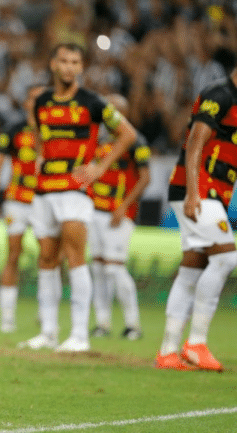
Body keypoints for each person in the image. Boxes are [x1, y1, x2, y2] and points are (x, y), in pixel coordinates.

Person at [18, 43, 136, 352]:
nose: (69, 67)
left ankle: (80, 334)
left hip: (75, 190)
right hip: (44, 189)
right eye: (64, 61)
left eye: (75, 62)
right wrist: (43, 157)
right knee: (46, 258)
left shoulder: (93, 102)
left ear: (80, 67)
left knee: (75, 257)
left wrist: (99, 166)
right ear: (53, 64)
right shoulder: (41, 101)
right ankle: (48, 332)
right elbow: (43, 139)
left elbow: (127, 134)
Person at [156, 63, 237, 372]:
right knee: (226, 259)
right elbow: (195, 144)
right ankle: (197, 343)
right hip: (198, 190)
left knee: (193, 268)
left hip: (212, 190)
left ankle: (168, 350)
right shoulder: (220, 95)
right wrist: (193, 193)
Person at [87, 94, 150, 341]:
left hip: (119, 214)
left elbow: (146, 178)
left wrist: (124, 206)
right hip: (96, 211)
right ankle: (102, 323)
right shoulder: (102, 142)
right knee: (99, 268)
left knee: (115, 268)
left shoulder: (136, 141)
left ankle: (133, 324)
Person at [0, 85, 44, 333]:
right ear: (25, 103)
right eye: (34, 97)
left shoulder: (56, 128)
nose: (38, 102)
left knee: (51, 256)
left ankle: (45, 313)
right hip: (17, 200)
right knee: (13, 255)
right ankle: (7, 318)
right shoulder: (14, 128)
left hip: (45, 200)